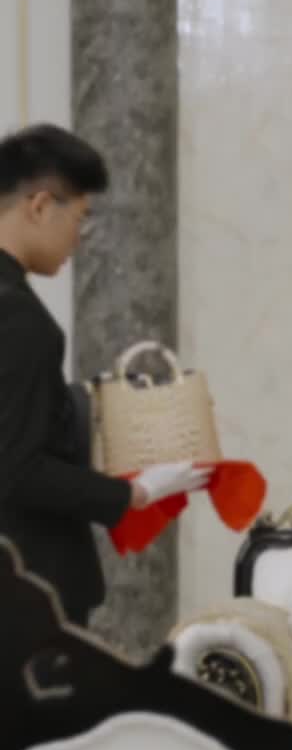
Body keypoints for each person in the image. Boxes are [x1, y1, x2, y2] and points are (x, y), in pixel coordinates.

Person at [0, 124, 208, 627]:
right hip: (29, 589)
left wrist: (88, 405)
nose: (79, 239)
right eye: (80, 218)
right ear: (40, 206)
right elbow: (17, 469)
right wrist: (137, 493)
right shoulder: (19, 317)